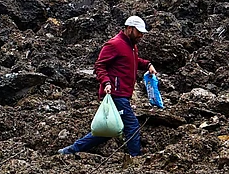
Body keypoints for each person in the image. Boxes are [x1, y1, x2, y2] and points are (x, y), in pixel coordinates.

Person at [58, 15, 159, 157]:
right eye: (139, 32)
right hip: (116, 94)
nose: (141, 35)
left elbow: (133, 61)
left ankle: (70, 150)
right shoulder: (114, 44)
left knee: (107, 131)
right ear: (129, 29)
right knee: (132, 126)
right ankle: (136, 158)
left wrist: (147, 64)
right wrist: (106, 82)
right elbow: (99, 66)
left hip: (123, 94)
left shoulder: (131, 46)